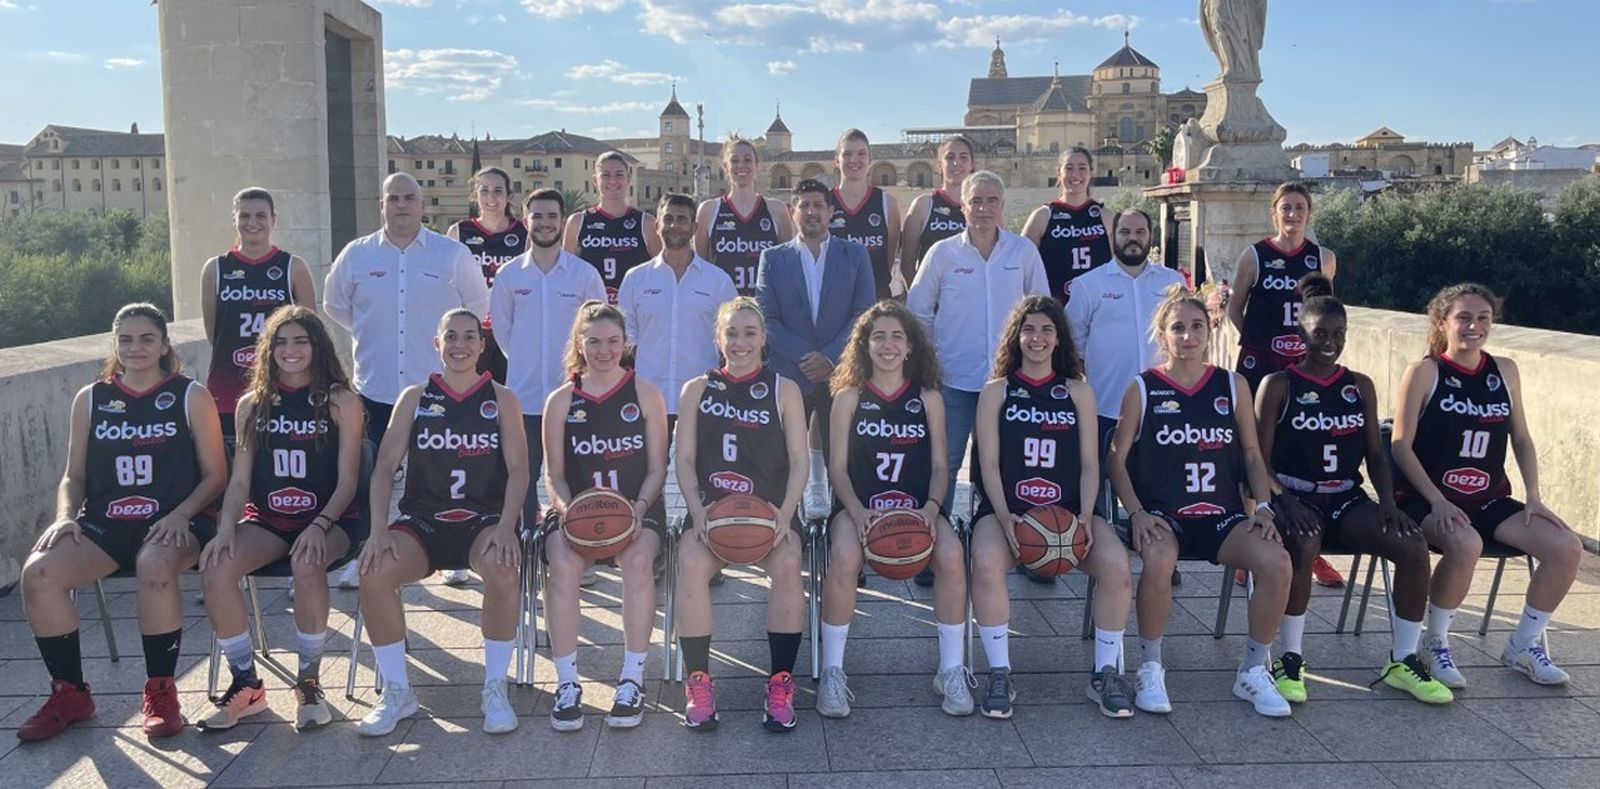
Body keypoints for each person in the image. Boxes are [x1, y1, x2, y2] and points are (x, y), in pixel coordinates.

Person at [17, 304, 228, 742]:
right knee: (37, 573)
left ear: (165, 344)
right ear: (115, 345)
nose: (136, 348)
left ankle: (161, 692)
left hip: (176, 521)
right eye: (126, 339)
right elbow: (73, 477)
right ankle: (70, 693)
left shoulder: (190, 395)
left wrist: (181, 514)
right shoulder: (91, 398)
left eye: (147, 338)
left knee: (154, 563)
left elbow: (216, 476)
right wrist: (64, 517)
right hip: (107, 523)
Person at [1253, 276, 1451, 705]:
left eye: (1338, 334)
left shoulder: (1359, 385)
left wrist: (1387, 503)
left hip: (1345, 497)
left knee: (1412, 544)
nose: (1330, 342)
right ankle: (1289, 658)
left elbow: (1377, 456)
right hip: (1295, 495)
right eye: (1320, 333)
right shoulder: (1279, 385)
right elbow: (1258, 459)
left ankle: (1402, 660)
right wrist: (1284, 501)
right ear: (1301, 334)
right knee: (1304, 544)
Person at [1105, 287, 1294, 718]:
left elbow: (1250, 454)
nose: (1188, 336)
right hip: (1165, 515)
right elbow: (1115, 458)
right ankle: (1150, 666)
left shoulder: (1233, 384)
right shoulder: (1143, 387)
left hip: (1224, 516)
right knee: (1157, 562)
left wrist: (1263, 506)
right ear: (1162, 334)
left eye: (1196, 326)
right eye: (1177, 328)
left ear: (1209, 331)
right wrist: (1134, 512)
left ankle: (1253, 669)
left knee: (1278, 562)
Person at [1392, 283, 1583, 688]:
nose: (1474, 326)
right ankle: (1436, 642)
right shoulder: (1425, 371)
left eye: (1483, 318)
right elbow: (1400, 446)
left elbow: (1523, 438)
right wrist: (1437, 501)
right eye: (1463, 317)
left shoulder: (1505, 370)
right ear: (1443, 323)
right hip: (1427, 498)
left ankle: (1524, 644)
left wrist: (1534, 496)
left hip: (1487, 497)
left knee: (1566, 548)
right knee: (1466, 543)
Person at [355, 309, 530, 736]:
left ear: (482, 344)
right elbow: (384, 468)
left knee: (504, 569)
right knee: (373, 571)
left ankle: (494, 687)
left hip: (482, 521)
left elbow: (521, 470)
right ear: (437, 344)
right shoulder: (415, 397)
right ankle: (397, 692)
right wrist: (378, 531)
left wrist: (507, 526)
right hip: (424, 523)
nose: (460, 345)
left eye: (469, 336)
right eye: (450, 336)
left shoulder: (502, 398)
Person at [196, 306, 368, 731]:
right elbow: (238, 483)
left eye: (300, 341)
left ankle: (308, 681)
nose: (290, 351)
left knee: (306, 561)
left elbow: (348, 482)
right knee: (216, 564)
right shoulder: (251, 405)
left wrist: (319, 524)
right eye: (281, 342)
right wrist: (223, 530)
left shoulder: (341, 401)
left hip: (332, 519)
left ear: (317, 346)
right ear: (267, 350)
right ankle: (246, 682)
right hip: (271, 518)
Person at [970, 296, 1136, 719]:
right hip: (1010, 511)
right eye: (1029, 329)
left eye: (1046, 330)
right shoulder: (996, 391)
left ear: (1059, 337)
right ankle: (999, 671)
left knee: (1117, 565)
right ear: (1016, 336)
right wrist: (1006, 516)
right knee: (986, 560)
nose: (1037, 338)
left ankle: (1104, 672)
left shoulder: (1078, 392)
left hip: (1067, 510)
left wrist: (1083, 516)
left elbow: (1087, 464)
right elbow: (987, 463)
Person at [816, 302, 971, 717]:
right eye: (879, 336)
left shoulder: (928, 399)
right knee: (846, 555)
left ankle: (951, 669)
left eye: (897, 336)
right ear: (864, 345)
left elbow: (941, 466)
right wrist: (856, 510)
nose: (888, 344)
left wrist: (933, 508)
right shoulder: (848, 397)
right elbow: (837, 468)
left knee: (953, 554)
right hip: (860, 507)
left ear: (910, 347)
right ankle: (832, 671)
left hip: (917, 510)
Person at [672, 298, 810, 731]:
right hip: (713, 516)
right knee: (691, 562)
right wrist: (698, 513)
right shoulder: (696, 388)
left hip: (771, 514)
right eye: (731, 332)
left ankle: (780, 681)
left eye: (750, 332)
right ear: (718, 337)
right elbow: (685, 459)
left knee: (788, 563)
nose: (740, 341)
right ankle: (698, 681)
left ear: (764, 338)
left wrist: (785, 516)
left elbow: (801, 462)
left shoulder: (783, 390)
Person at [542, 301, 670, 731]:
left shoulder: (646, 394)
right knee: (561, 564)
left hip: (637, 508)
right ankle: (566, 682)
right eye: (593, 341)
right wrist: (566, 509)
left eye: (613, 341)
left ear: (625, 344)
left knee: (636, 562)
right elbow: (554, 476)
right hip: (579, 513)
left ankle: (632, 677)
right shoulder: (561, 401)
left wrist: (636, 509)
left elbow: (657, 469)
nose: (603, 350)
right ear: (579, 343)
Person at [908, 170, 1048, 542]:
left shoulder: (1023, 252)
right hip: (954, 382)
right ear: (962, 206)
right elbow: (918, 311)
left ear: (1002, 206)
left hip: (1011, 385)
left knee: (1010, 467)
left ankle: (1022, 544)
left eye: (991, 201)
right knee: (945, 465)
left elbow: (1043, 311)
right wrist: (931, 364)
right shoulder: (943, 253)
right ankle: (931, 545)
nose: (983, 209)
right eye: (976, 201)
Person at [1227, 182, 1345, 588]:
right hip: (1261, 366)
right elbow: (1233, 307)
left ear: (1309, 214)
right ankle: (1248, 546)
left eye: (1299, 207)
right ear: (1273, 213)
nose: (1292, 214)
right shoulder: (1255, 255)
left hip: (1306, 369)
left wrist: (1309, 350)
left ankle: (1312, 550)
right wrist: (1261, 344)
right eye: (1285, 208)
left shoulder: (1323, 258)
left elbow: (1327, 313)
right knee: (1253, 448)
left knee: (1303, 450)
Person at [323, 172, 491, 449]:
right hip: (374, 391)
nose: (402, 205)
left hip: (436, 391)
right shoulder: (356, 254)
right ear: (382, 206)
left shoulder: (452, 254)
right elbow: (333, 303)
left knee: (436, 481)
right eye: (394, 199)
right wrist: (369, 327)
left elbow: (477, 306)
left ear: (422, 205)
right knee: (375, 477)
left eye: (409, 198)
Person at [755, 178, 876, 519]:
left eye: (818, 205)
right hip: (790, 373)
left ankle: (842, 527)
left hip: (840, 373)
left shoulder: (854, 254)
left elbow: (864, 313)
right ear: (793, 212)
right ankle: (786, 528)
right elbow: (767, 316)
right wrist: (807, 358)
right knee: (782, 456)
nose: (811, 212)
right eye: (804, 205)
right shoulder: (773, 258)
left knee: (844, 455)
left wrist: (829, 357)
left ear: (831, 212)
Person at [492, 188, 608, 536]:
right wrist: (528, 360)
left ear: (562, 221)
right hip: (524, 397)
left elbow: (598, 329)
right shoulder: (509, 275)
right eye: (537, 216)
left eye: (552, 216)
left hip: (574, 396)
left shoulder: (584, 275)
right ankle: (528, 543)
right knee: (523, 476)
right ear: (525, 220)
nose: (545, 223)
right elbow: (503, 334)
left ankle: (579, 543)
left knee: (576, 476)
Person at [200, 187, 317, 450]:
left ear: (273, 221)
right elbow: (213, 332)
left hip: (282, 388)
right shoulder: (215, 269)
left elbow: (311, 333)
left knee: (272, 468)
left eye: (261, 216)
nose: (252, 223)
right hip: (227, 388)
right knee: (230, 471)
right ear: (234, 220)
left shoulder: (293, 267)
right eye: (244, 216)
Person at [620, 193, 740, 426]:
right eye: (668, 219)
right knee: (653, 465)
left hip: (703, 399)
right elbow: (626, 332)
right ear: (657, 225)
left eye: (682, 219)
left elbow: (732, 334)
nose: (675, 225)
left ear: (694, 227)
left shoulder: (718, 281)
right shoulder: (635, 279)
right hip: (648, 400)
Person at [447, 166, 527, 384]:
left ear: (509, 196)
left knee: (510, 399)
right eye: (484, 190)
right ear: (475, 195)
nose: (491, 197)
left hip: (512, 331)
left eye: (498, 191)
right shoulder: (459, 232)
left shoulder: (524, 233)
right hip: (471, 333)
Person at [695, 138, 793, 296]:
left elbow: (788, 267)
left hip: (765, 310)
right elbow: (700, 266)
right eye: (734, 160)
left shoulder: (776, 209)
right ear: (725, 167)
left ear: (756, 165)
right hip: (723, 310)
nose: (741, 165)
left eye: (747, 160)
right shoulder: (709, 210)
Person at [565, 151, 660, 304]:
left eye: (619, 175)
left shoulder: (647, 223)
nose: (613, 181)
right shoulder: (577, 222)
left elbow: (661, 272)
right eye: (606, 175)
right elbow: (566, 274)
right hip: (592, 316)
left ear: (628, 179)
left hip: (634, 313)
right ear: (595, 180)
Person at [1022, 146, 1113, 304]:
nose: (1075, 174)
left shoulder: (1106, 216)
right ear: (1059, 173)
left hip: (1098, 307)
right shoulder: (1042, 216)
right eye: (1069, 168)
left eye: (1082, 168)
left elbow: (1121, 265)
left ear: (1091, 172)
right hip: (1055, 309)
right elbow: (1021, 264)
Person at [827, 129, 902, 299]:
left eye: (861, 154)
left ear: (870, 160)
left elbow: (888, 259)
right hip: (833, 300)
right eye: (847, 154)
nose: (854, 160)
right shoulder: (824, 203)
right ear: (836, 161)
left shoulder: (887, 203)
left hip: (875, 299)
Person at [899, 135, 973, 274]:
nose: (956, 163)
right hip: (933, 294)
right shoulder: (923, 205)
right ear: (939, 165)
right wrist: (920, 295)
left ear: (972, 164)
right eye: (950, 158)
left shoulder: (984, 208)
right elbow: (907, 266)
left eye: (963, 157)